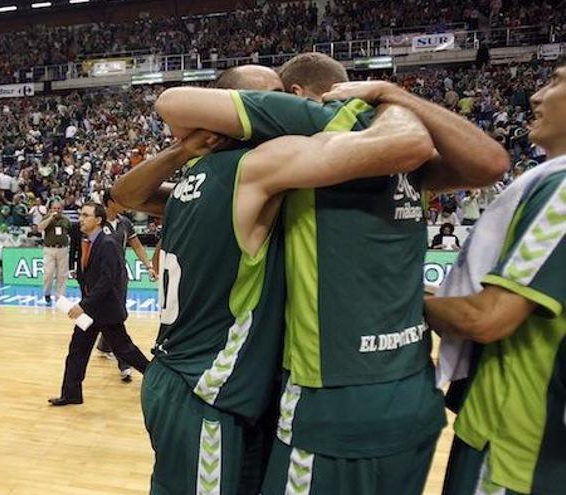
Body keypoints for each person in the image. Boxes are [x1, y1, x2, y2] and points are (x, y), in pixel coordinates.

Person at [153, 53, 509, 495]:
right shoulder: (397, 156)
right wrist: (394, 97)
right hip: (414, 392)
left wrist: (375, 99)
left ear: (297, 97)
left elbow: (170, 102)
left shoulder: (302, 138)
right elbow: (492, 162)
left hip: (332, 401)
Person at [425, 64, 566, 495]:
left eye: (557, 82)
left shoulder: (562, 191)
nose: (537, 96)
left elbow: (486, 319)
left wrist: (404, 301)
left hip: (518, 450)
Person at [48, 202, 151, 406]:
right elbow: (86, 277)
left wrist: (84, 304)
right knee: (77, 350)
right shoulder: (85, 241)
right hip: (91, 312)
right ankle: (71, 394)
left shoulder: (108, 244)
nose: (81, 218)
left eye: (86, 215)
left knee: (125, 350)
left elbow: (107, 280)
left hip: (106, 311)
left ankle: (156, 376)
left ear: (98, 220)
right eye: (81, 215)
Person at [96, 190, 159, 382]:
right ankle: (125, 362)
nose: (125, 203)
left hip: (119, 277)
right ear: (110, 203)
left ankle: (106, 347)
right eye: (120, 200)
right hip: (100, 277)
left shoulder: (125, 223)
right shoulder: (97, 222)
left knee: (115, 314)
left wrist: (149, 265)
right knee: (109, 317)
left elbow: (137, 246)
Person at [38, 201, 72, 305]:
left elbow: (70, 232)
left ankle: (60, 296)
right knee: (48, 273)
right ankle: (47, 293)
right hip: (49, 249)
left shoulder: (66, 220)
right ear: (51, 209)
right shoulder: (47, 218)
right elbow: (40, 228)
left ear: (62, 209)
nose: (57, 210)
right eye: (55, 208)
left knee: (62, 274)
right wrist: (50, 218)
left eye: (59, 208)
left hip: (63, 249)